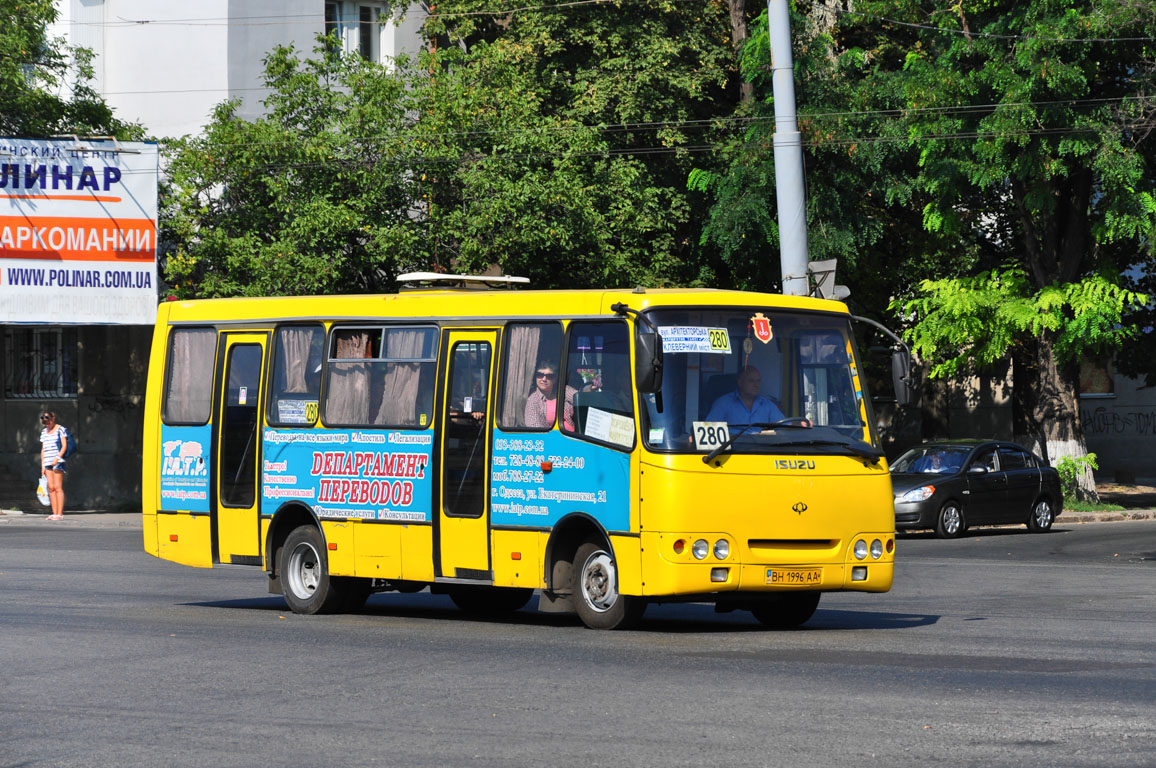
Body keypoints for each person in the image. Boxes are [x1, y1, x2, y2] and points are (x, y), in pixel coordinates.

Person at [706, 366, 786, 429]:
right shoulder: (723, 403)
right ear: (740, 382)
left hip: (761, 447)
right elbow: (709, 428)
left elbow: (785, 426)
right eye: (751, 381)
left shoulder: (767, 405)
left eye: (758, 381)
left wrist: (797, 424)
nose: (756, 385)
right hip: (733, 447)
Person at [524, 360, 575, 430]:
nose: (544, 379)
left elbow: (579, 398)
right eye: (540, 375)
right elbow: (534, 427)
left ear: (555, 379)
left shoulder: (563, 390)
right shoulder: (533, 400)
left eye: (549, 376)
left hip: (576, 436)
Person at [39, 411, 68, 520]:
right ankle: (54, 513)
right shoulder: (43, 432)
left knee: (57, 487)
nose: (47, 424)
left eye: (48, 421)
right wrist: (42, 465)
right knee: (50, 488)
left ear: (53, 418)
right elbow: (43, 449)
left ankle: (59, 514)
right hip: (47, 462)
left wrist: (57, 458)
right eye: (45, 422)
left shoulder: (60, 429)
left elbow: (64, 446)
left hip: (57, 461)